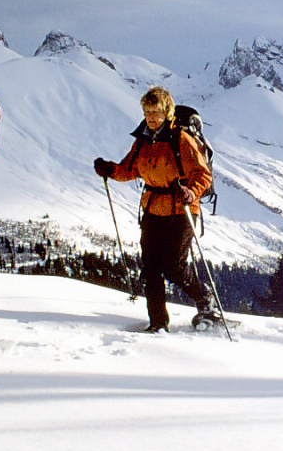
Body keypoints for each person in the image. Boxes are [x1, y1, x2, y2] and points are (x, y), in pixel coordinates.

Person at [94, 86, 219, 333]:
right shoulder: (143, 140)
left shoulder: (180, 139)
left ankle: (205, 300)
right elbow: (130, 169)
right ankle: (158, 323)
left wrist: (190, 191)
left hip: (182, 208)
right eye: (148, 112)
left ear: (167, 112)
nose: (151, 118)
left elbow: (203, 174)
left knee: (174, 267)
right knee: (150, 266)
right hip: (153, 208)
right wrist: (109, 169)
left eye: (156, 113)